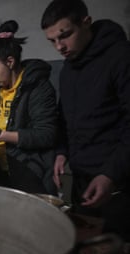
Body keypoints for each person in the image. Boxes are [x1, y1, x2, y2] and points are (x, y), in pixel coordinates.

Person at [41, 0, 130, 241]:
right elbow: (65, 116)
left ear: (86, 23)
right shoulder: (69, 68)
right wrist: (61, 152)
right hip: (83, 180)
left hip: (119, 184)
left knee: (114, 253)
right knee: (84, 249)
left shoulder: (120, 57)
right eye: (52, 41)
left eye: (65, 35)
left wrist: (110, 174)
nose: (59, 46)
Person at [0, 20, 58, 195]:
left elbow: (46, 134)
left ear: (10, 62)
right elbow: (3, 124)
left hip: (30, 174)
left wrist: (0, 135)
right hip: (4, 171)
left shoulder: (37, 87)